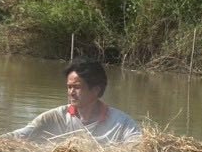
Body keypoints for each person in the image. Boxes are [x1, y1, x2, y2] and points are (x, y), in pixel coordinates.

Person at [7, 60, 142, 146]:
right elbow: (20, 135)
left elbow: (139, 148)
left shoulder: (121, 123)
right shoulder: (56, 117)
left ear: (95, 90)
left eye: (77, 87)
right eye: (69, 87)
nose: (71, 92)